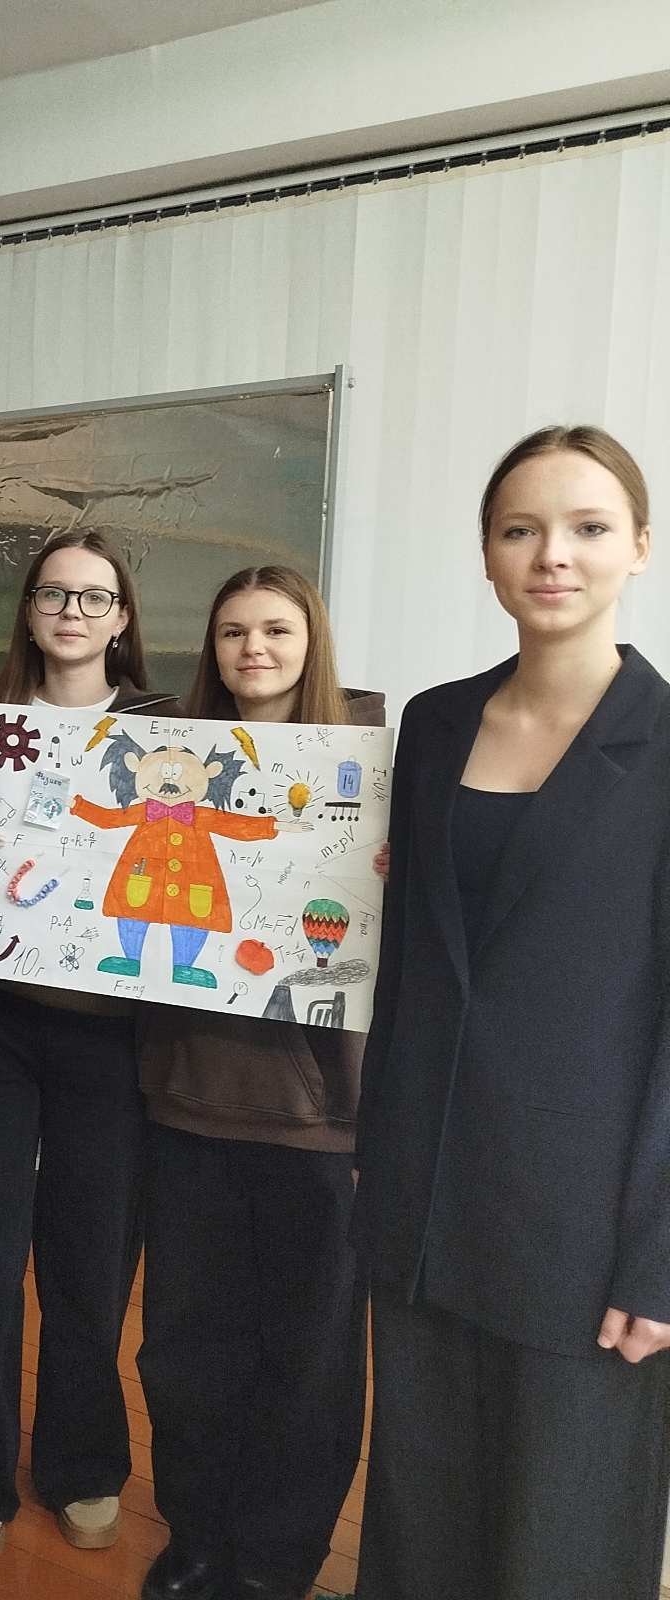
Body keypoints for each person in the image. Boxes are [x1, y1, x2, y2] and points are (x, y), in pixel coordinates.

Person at [353, 425, 670, 1599]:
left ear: (638, 546)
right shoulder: (435, 723)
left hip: (584, 1224)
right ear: (485, 552)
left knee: (560, 1538)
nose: (552, 556)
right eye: (519, 529)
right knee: (420, 1521)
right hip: (425, 1190)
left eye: (587, 527)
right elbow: (410, 958)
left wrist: (660, 1256)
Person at [135, 566, 381, 1600]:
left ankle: (277, 1563)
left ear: (310, 639)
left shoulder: (371, 766)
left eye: (276, 629)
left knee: (308, 1361)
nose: (253, 650)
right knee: (185, 1348)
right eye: (233, 631)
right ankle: (195, 1536)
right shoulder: (165, 766)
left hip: (317, 1120)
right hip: (187, 1102)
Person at [0, 530, 173, 1562]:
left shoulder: (169, 730)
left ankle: (83, 1462)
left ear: (122, 617)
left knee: (92, 1254)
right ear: (28, 611)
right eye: (53, 594)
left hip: (112, 1032)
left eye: (93, 596)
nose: (71, 612)